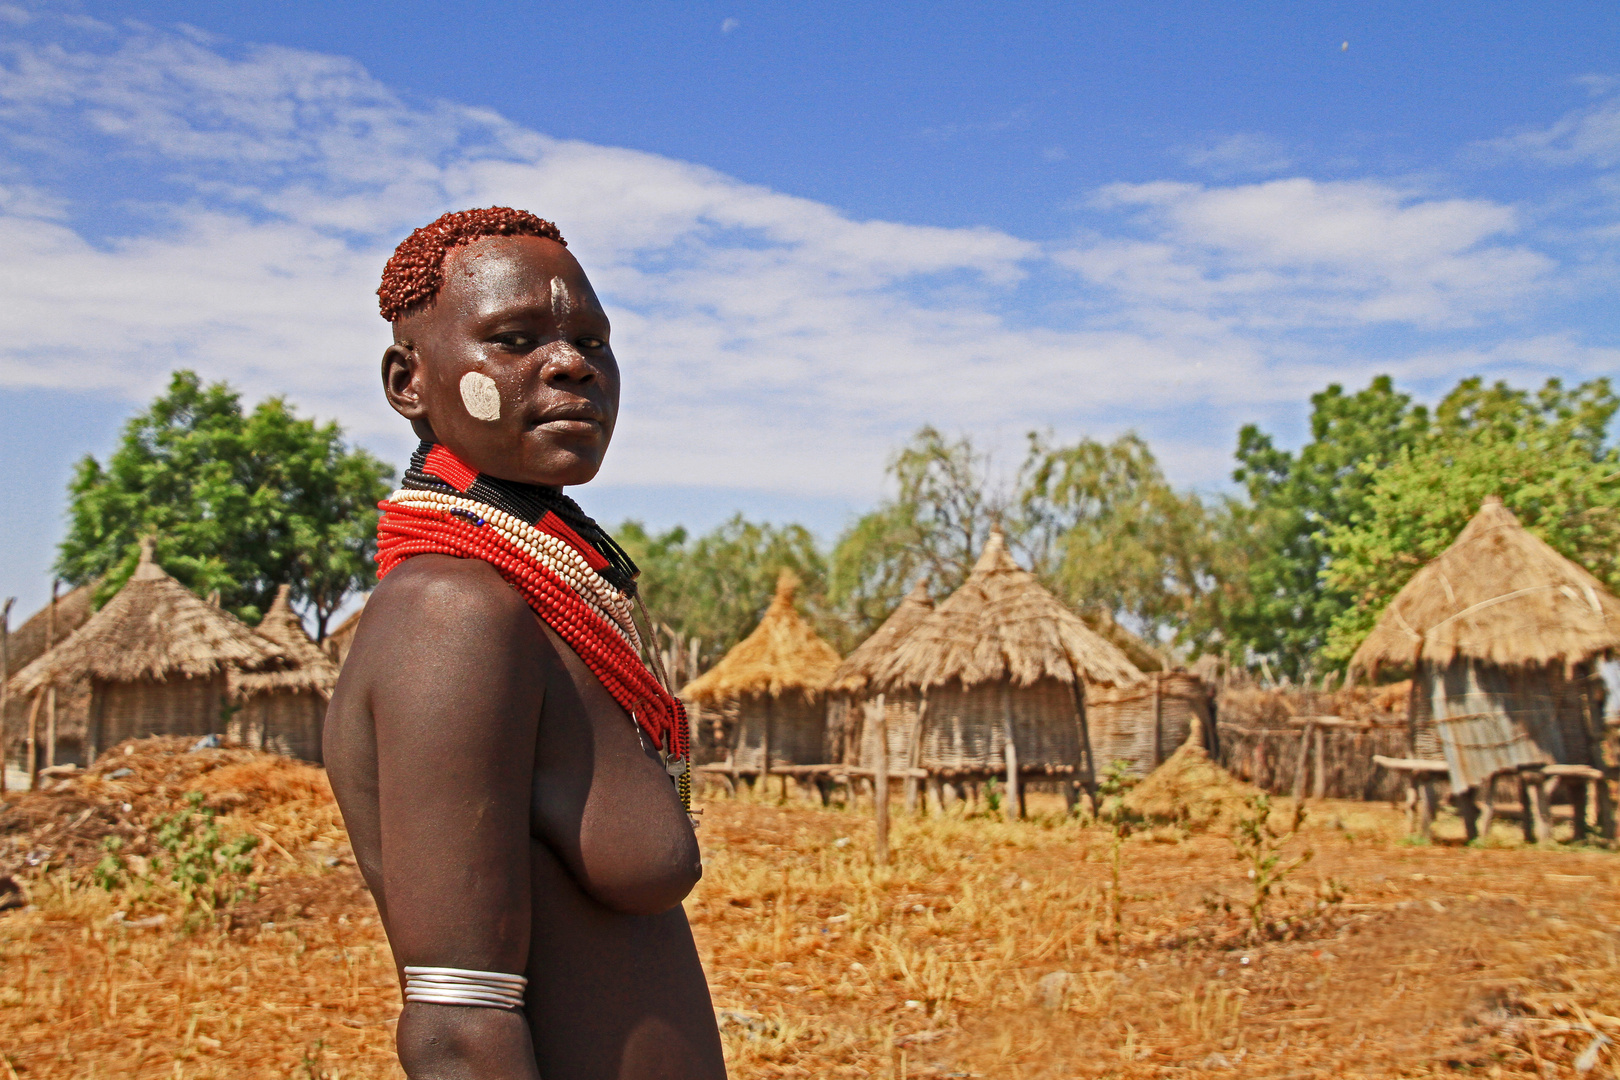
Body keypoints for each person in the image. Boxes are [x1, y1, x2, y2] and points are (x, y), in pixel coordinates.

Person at [325, 207, 727, 1080]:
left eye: (593, 339)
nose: (572, 363)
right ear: (408, 383)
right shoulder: (453, 614)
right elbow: (458, 1033)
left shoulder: (528, 597)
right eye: (513, 339)